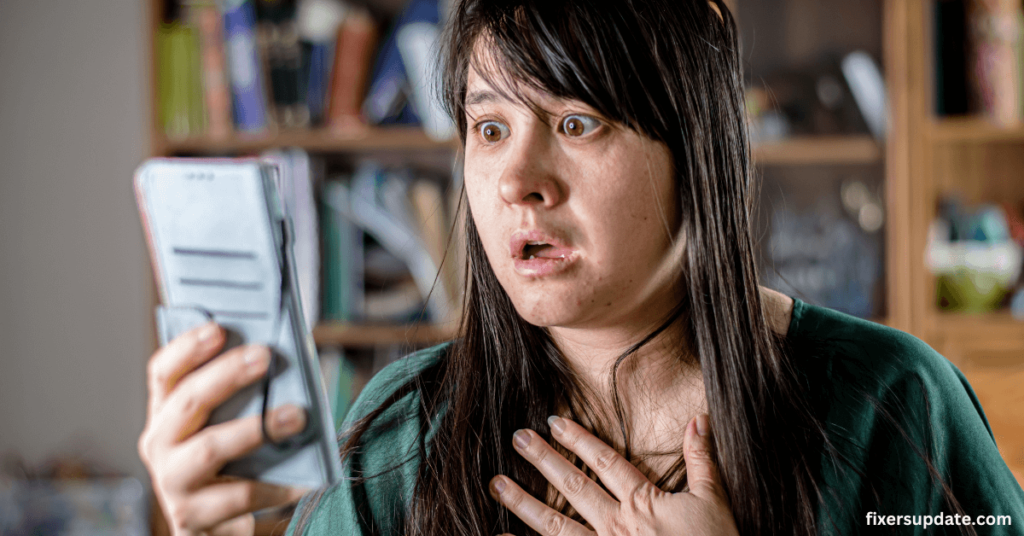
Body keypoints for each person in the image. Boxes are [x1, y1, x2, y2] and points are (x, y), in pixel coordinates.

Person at [137, 0, 1024, 534]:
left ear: (698, 152)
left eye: (575, 123)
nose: (517, 181)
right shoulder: (402, 434)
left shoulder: (898, 403)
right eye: (490, 128)